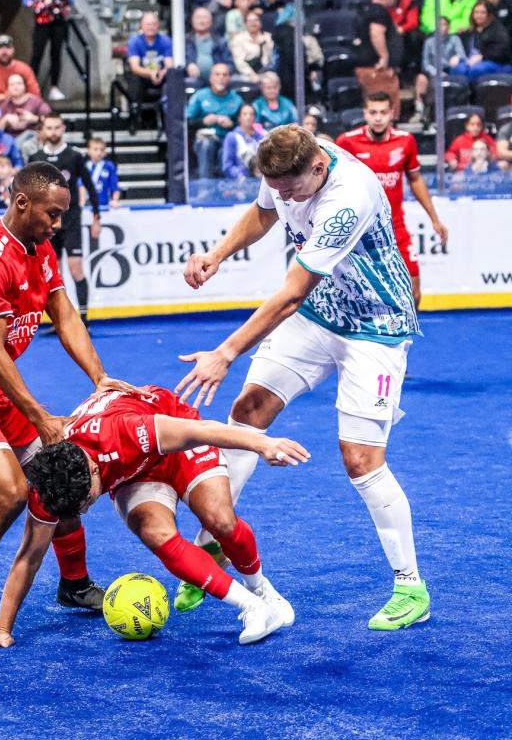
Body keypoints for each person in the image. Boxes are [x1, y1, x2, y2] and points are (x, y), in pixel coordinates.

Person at [174, 125, 430, 632]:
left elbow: (290, 294)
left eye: (291, 188)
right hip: (319, 314)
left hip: (374, 327)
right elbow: (264, 212)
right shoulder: (288, 164)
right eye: (277, 186)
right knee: (248, 413)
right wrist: (217, 254)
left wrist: (226, 353)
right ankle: (215, 544)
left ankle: (410, 586)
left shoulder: (348, 196)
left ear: (317, 166)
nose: (284, 197)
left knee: (361, 460)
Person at [0, 162, 134, 648]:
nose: (58, 225)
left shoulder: (40, 250)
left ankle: (74, 584)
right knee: (12, 492)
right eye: (52, 215)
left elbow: (64, 314)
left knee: (60, 472)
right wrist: (39, 415)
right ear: (21, 203)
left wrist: (99, 377)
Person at [0, 385, 307, 650]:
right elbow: (29, 557)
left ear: (93, 470)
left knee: (219, 520)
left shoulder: (126, 431)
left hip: (172, 442)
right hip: (132, 472)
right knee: (155, 533)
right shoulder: (52, 480)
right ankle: (252, 606)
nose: (88, 509)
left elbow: (203, 430)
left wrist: (263, 444)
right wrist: (1, 629)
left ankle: (262, 589)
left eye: (88, 500)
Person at [336, 91, 448, 307]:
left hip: (396, 230)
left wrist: (434, 219)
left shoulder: (405, 141)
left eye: (383, 112)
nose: (378, 117)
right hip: (360, 233)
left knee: (414, 293)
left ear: (392, 114)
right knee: (357, 296)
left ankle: (404, 341)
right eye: (373, 112)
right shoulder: (347, 143)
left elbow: (415, 179)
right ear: (365, 114)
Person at [29, 112, 101, 324]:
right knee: (54, 274)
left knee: (75, 266)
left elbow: (89, 186)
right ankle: (62, 322)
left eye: (56, 127)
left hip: (70, 221)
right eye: (49, 128)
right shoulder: (35, 158)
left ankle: (84, 319)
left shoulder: (74, 156)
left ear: (63, 129)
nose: (53, 132)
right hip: (45, 224)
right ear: (43, 130)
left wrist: (97, 217)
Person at [22, 0, 74, 102]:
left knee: (56, 54)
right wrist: (37, 3)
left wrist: (64, 5)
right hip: (41, 22)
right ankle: (30, 88)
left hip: (58, 22)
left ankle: (54, 86)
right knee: (37, 54)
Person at [355, 0, 403, 120]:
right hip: (376, 69)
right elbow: (376, 33)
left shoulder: (366, 9)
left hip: (368, 66)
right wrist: (384, 57)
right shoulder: (379, 11)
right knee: (383, 110)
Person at [187, 62, 243, 178]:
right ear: (211, 78)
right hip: (205, 138)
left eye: (224, 75)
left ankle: (231, 189)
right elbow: (186, 122)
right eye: (217, 74)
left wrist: (232, 124)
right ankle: (205, 186)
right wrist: (203, 122)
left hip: (227, 138)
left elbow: (245, 124)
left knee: (228, 149)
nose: (221, 78)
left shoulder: (237, 99)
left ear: (229, 78)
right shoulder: (200, 96)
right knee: (207, 145)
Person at [412, 16, 465, 121]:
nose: (443, 28)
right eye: (440, 25)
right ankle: (420, 110)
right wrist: (437, 72)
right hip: (433, 72)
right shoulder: (429, 42)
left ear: (449, 27)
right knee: (421, 79)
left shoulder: (455, 39)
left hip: (451, 72)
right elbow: (425, 63)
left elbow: (462, 56)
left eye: (445, 25)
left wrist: (457, 58)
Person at [126, 12, 174, 129]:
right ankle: (134, 117)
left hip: (161, 76)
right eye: (148, 24)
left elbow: (169, 64)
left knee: (172, 78)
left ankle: (168, 119)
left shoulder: (166, 41)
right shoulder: (135, 41)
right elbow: (135, 67)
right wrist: (150, 73)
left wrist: (161, 73)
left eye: (154, 24)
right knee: (134, 80)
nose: (151, 27)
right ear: (141, 25)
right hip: (142, 76)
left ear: (158, 26)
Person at [450, 0, 512, 81]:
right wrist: (458, 56)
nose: (479, 15)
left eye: (483, 13)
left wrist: (483, 56)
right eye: (476, 12)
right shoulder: (470, 31)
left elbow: (502, 52)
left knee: (476, 71)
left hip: (495, 62)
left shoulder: (499, 31)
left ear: (489, 15)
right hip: (471, 60)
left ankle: (473, 93)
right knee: (457, 69)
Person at [0, 73, 51, 162]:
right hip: (12, 139)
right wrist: (5, 120)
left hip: (32, 138)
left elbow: (51, 119)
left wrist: (33, 119)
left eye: (19, 83)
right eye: (12, 84)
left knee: (27, 138)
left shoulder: (35, 101)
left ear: (24, 86)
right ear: (8, 88)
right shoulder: (4, 105)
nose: (16, 87)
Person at [0, 35, 41, 106]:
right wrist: (6, 97)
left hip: (22, 105)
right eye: (0, 48)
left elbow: (35, 94)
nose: (4, 51)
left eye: (8, 47)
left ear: (13, 50)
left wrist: (21, 98)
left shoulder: (24, 69)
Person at [185, 7, 234, 85]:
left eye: (204, 17)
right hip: (193, 80)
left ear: (211, 21)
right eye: (198, 17)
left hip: (217, 82)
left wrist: (221, 71)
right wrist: (188, 64)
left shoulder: (221, 42)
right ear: (192, 21)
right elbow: (178, 62)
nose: (201, 21)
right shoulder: (185, 41)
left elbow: (230, 64)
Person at [229, 9, 275, 81]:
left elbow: (272, 58)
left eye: (256, 20)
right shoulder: (238, 39)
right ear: (245, 24)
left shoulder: (268, 37)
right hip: (245, 73)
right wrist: (251, 74)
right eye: (250, 21)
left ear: (260, 23)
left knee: (273, 79)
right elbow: (239, 62)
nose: (253, 23)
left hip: (265, 71)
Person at [222, 103, 265, 178]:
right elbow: (227, 166)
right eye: (245, 114)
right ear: (239, 117)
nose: (248, 117)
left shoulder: (261, 136)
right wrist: (239, 174)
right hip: (241, 178)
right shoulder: (232, 137)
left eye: (251, 114)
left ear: (254, 118)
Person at [84, 136, 121, 210]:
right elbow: (80, 186)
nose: (99, 152)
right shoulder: (84, 166)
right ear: (89, 151)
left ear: (105, 152)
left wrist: (115, 200)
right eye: (95, 149)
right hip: (87, 205)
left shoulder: (109, 166)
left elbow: (115, 186)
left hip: (104, 205)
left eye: (102, 150)